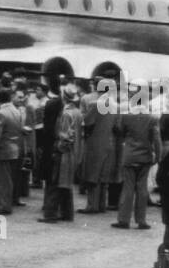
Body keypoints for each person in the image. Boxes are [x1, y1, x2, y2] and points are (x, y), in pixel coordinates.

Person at [111, 98, 161, 229]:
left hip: (129, 155)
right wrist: (158, 156)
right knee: (142, 188)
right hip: (145, 156)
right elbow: (156, 139)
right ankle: (141, 220)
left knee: (127, 188)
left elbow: (120, 132)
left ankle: (123, 219)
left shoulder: (126, 116)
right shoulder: (153, 118)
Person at [39, 86, 83, 223]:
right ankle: (67, 213)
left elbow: (65, 137)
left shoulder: (66, 114)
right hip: (73, 153)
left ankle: (50, 214)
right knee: (66, 184)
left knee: (55, 182)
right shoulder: (78, 112)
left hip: (63, 153)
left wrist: (57, 148)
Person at [79, 79, 119, 213]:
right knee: (103, 176)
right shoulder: (116, 105)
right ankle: (102, 204)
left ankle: (92, 205)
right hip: (109, 142)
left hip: (95, 142)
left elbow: (87, 122)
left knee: (92, 175)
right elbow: (117, 126)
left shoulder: (95, 104)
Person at [0, 88, 26, 215]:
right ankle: (7, 203)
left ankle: (4, 206)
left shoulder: (1, 113)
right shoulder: (16, 111)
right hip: (14, 149)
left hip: (2, 150)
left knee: (2, 180)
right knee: (8, 179)